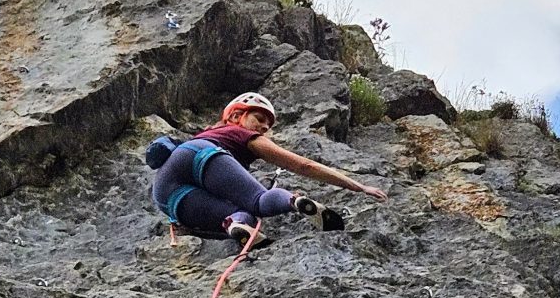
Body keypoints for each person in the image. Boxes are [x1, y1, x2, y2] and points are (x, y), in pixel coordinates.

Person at [148, 92, 388, 247]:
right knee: (259, 200)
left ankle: (239, 227)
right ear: (236, 116)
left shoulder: (207, 132)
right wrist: (358, 186)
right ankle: (295, 201)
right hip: (202, 155)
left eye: (268, 124)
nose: (263, 127)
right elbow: (303, 165)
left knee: (238, 214)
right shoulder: (240, 134)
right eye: (258, 119)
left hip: (167, 194)